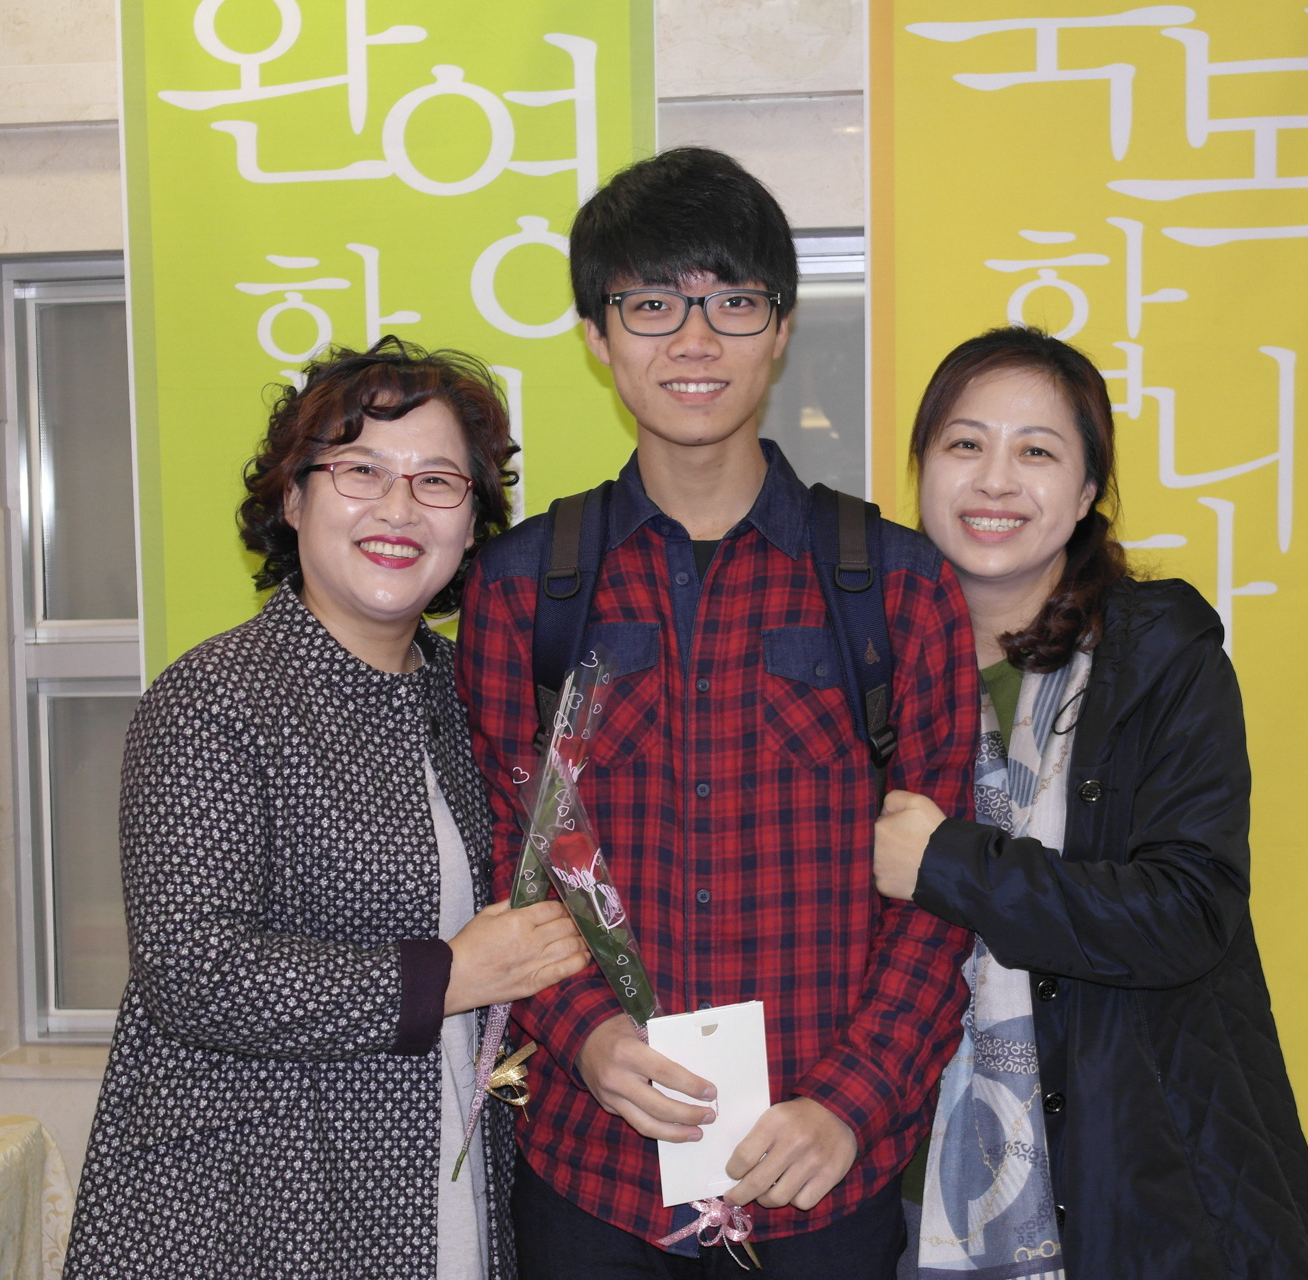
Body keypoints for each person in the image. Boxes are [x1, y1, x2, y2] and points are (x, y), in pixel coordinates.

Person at [456, 146, 981, 1279]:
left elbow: (943, 890)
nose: (694, 340)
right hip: (595, 1178)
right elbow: (512, 854)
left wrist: (851, 1102)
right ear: (597, 335)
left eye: (733, 302)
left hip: (820, 1180)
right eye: (652, 304)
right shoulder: (524, 586)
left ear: (780, 328)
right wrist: (588, 1035)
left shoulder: (896, 586)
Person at [62, 339, 589, 1280]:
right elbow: (193, 969)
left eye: (437, 481)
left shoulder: (464, 695)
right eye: (360, 470)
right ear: (294, 499)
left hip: (444, 1180)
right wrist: (448, 977)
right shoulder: (216, 699)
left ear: (473, 525)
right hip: (252, 1210)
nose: (398, 508)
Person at [873, 327, 1308, 1280]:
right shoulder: (859, 663)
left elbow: (1190, 909)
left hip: (1136, 1175)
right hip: (900, 1171)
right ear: (922, 468)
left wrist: (949, 864)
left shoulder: (1160, 660)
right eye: (965, 444)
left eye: (1037, 452)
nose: (995, 481)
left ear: (1087, 493)